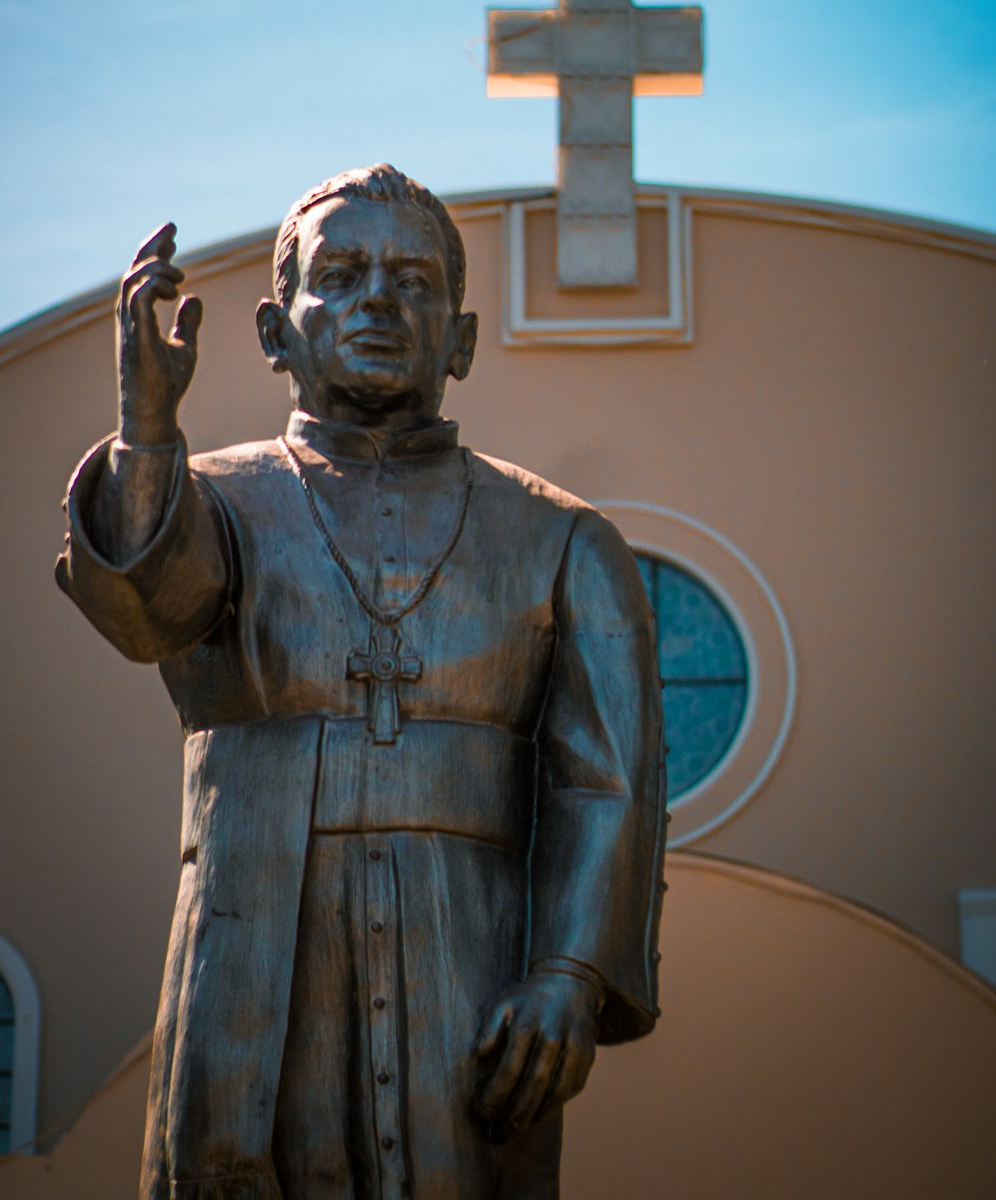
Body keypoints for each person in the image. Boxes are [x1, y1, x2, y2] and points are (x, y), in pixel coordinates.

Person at [57, 164, 666, 1200]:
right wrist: (147, 429)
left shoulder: (563, 539)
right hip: (251, 965)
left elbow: (606, 781)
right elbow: (141, 608)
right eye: (339, 273)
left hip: (467, 964)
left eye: (413, 279)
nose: (378, 297)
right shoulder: (212, 504)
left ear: (461, 340)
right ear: (273, 329)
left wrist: (569, 969)